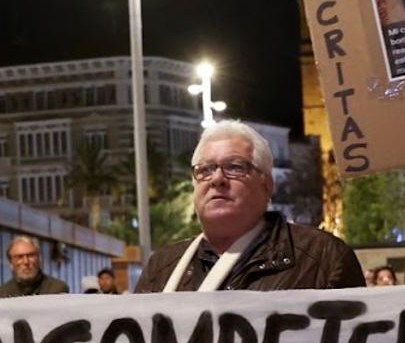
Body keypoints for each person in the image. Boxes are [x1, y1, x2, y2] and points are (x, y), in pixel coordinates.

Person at [137, 120, 364, 293]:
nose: (217, 179)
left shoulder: (324, 258)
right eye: (205, 170)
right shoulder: (161, 269)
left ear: (266, 185)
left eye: (235, 167)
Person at [0, 236, 68, 297]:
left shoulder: (57, 290)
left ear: (39, 258)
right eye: (19, 257)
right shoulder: (0, 295)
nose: (26, 262)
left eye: (30, 256)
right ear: (10, 262)